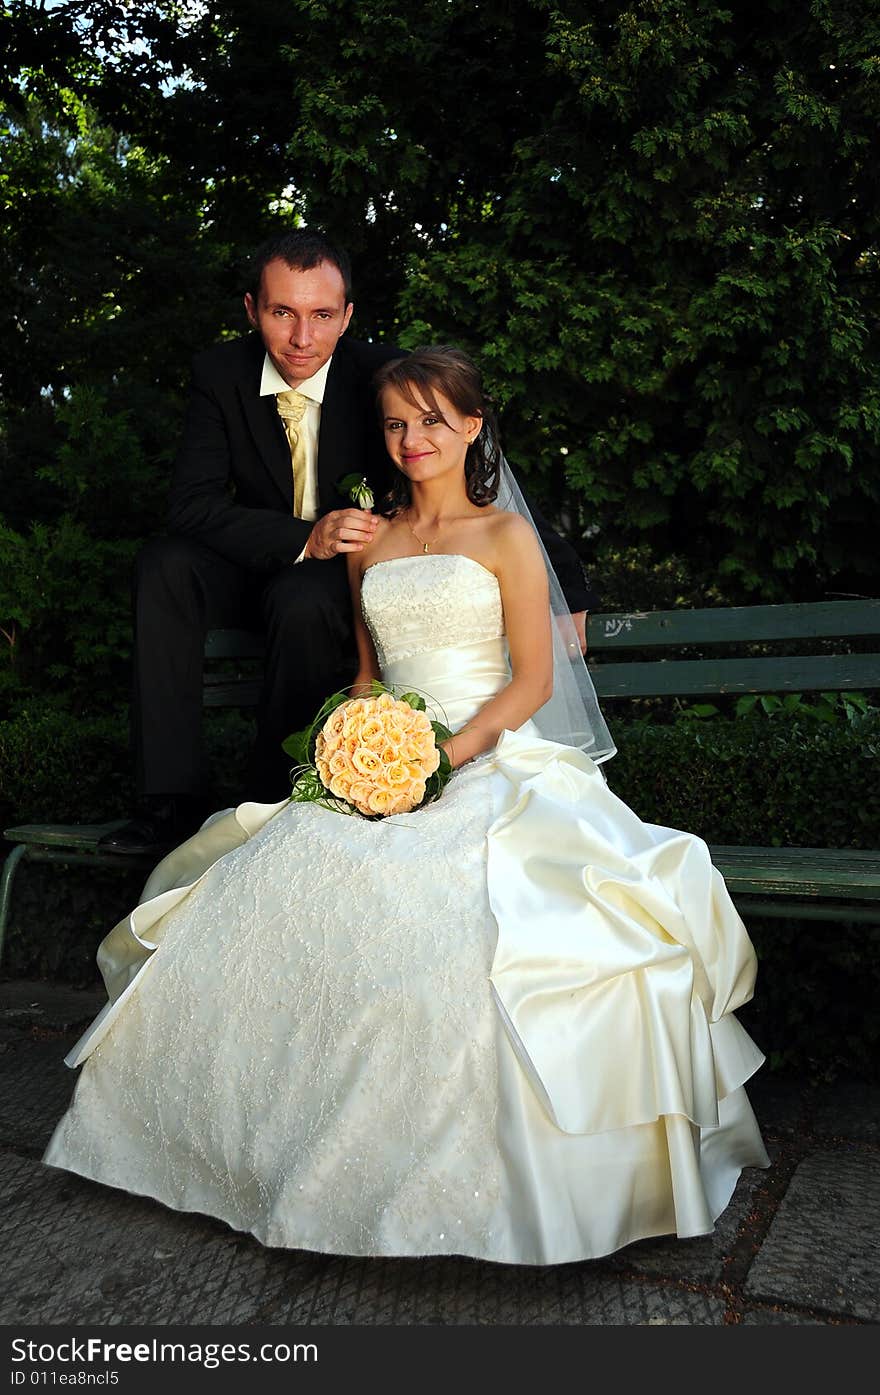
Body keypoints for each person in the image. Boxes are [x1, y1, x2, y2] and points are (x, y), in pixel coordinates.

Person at [44, 346, 768, 1266]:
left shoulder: (506, 537)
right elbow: (366, 675)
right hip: (385, 761)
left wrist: (440, 761)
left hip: (492, 757)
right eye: (395, 422)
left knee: (470, 926)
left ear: (472, 425)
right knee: (273, 886)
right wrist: (350, 754)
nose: (413, 438)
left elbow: (534, 678)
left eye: (433, 419)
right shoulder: (370, 543)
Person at [102, 230, 599, 857]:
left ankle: (276, 793)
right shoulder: (218, 374)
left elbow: (477, 479)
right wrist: (303, 537)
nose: (302, 338)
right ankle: (167, 802)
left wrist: (569, 587)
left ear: (348, 317)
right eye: (283, 313)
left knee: (305, 600)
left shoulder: (381, 379)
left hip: (332, 578)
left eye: (322, 316)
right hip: (256, 553)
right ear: (252, 309)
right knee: (163, 564)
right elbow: (191, 506)